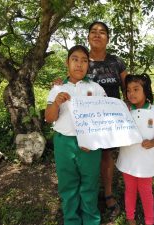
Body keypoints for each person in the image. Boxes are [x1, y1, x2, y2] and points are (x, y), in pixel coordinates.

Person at [53, 21, 128, 218]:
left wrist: (132, 111)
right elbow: (72, 78)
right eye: (93, 32)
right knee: (83, 169)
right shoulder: (82, 62)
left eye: (102, 32)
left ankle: (108, 194)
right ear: (88, 36)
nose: (97, 35)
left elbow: (128, 87)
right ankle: (78, 210)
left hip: (106, 122)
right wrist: (57, 87)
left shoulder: (116, 62)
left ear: (108, 38)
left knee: (105, 158)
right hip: (79, 130)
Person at [45, 45, 106, 225]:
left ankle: (91, 220)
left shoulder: (96, 88)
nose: (79, 64)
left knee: (90, 183)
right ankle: (71, 220)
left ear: (88, 65)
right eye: (75, 59)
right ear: (67, 63)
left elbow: (104, 119)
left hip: (90, 143)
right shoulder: (57, 88)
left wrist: (93, 140)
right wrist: (56, 103)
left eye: (84, 60)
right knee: (67, 184)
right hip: (64, 143)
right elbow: (49, 118)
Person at [116, 74, 154, 225]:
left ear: (146, 90)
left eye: (136, 89)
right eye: (128, 90)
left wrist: (153, 142)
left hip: (144, 162)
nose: (131, 93)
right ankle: (130, 217)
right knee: (130, 190)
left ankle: (149, 221)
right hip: (127, 159)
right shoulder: (125, 110)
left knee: (146, 192)